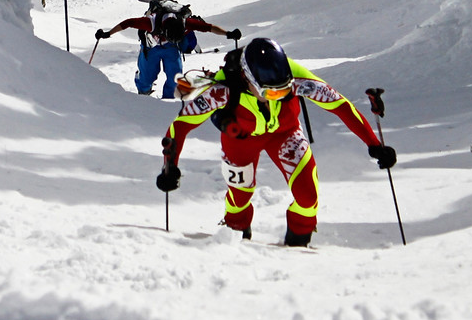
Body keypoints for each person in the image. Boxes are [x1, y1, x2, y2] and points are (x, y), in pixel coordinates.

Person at [154, 37, 395, 246]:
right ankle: (234, 236)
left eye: (285, 91)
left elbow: (339, 105)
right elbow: (182, 124)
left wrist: (374, 144)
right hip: (240, 141)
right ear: (248, 79)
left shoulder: (295, 76)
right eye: (271, 93)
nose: (278, 97)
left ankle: (299, 242)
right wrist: (170, 165)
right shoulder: (223, 87)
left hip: (285, 133)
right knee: (239, 198)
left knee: (308, 196)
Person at [96, 8, 240, 98]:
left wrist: (228, 34)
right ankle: (143, 89)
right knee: (148, 76)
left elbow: (208, 27)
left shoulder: (184, 22)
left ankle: (168, 101)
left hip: (171, 48)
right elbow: (127, 23)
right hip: (151, 47)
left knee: (175, 76)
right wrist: (108, 33)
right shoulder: (150, 22)